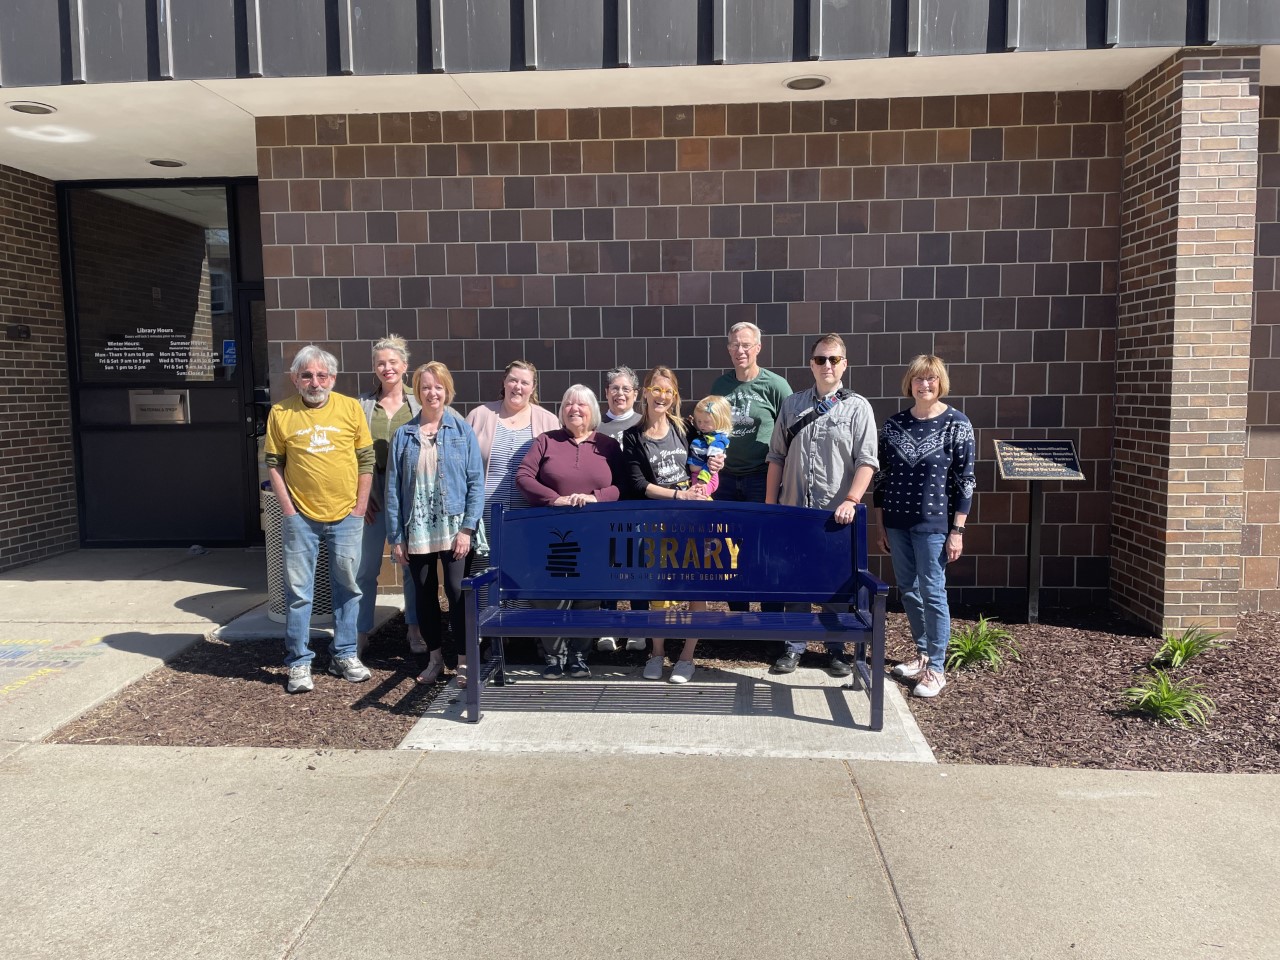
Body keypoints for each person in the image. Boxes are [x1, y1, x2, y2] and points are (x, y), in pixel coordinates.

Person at [765, 334, 878, 677]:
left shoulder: (858, 407)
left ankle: (836, 649)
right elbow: (776, 457)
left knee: (834, 584)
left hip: (835, 514)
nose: (826, 365)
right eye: (820, 359)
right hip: (795, 509)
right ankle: (794, 645)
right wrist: (771, 505)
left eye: (833, 359)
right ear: (810, 363)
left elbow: (867, 461)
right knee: (796, 580)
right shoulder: (792, 404)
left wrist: (852, 499)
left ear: (844, 363)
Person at [265, 345, 374, 694]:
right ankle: (298, 663)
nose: (315, 382)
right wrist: (288, 509)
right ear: (295, 379)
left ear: (333, 378)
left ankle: (343, 654)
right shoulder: (281, 413)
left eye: (322, 375)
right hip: (300, 518)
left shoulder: (350, 408)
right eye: (307, 375)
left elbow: (366, 460)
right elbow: (273, 464)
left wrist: (359, 507)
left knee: (348, 587)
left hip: (346, 515)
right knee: (299, 593)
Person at [874, 355, 976, 699]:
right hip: (897, 522)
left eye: (931, 379)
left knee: (933, 592)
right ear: (910, 383)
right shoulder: (894, 424)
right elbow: (882, 476)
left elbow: (965, 480)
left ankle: (936, 667)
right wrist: (881, 523)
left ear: (940, 382)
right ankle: (921, 654)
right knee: (909, 589)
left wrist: (957, 530)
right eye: (919, 379)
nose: (925, 385)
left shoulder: (956, 424)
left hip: (934, 525)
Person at [385, 362, 485, 688]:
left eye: (438, 387)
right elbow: (392, 490)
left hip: (454, 526)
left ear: (447, 391)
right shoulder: (403, 435)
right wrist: (396, 538)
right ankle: (435, 658)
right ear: (418, 391)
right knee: (424, 595)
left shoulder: (461, 431)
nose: (432, 393)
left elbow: (475, 482)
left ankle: (465, 663)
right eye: (426, 387)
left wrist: (468, 528)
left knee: (457, 593)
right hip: (417, 530)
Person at [516, 385, 625, 680]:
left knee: (587, 596)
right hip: (552, 533)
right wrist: (555, 499)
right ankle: (554, 654)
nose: (574, 409)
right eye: (568, 405)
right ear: (561, 411)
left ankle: (579, 654)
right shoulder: (546, 441)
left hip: (595, 533)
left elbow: (623, 485)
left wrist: (596, 497)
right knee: (549, 595)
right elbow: (523, 476)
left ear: (593, 411)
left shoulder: (607, 445)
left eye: (581, 405)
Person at [622, 366, 714, 684]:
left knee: (696, 587)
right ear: (645, 392)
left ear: (674, 397)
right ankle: (657, 653)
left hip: (692, 521)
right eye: (656, 390)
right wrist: (679, 494)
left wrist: (715, 463)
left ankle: (687, 657)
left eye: (668, 392)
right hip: (657, 522)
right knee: (656, 589)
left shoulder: (685, 428)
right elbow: (637, 484)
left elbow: (706, 461)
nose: (662, 397)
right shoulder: (633, 435)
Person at [710, 321, 791, 614]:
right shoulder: (721, 386)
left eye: (746, 345)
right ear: (728, 349)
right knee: (730, 550)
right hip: (727, 480)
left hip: (761, 477)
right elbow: (712, 428)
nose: (740, 350)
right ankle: (741, 620)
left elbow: (789, 431)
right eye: (734, 345)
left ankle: (771, 624)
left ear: (758, 347)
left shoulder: (775, 386)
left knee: (766, 549)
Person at [356, 334, 422, 657]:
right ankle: (360, 632)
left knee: (411, 566)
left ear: (405, 366)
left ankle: (414, 629)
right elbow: (352, 453)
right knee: (366, 568)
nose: (387, 368)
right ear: (374, 368)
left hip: (410, 493)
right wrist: (362, 495)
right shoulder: (363, 406)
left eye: (393, 362)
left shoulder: (419, 403)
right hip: (373, 494)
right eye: (381, 363)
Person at [594, 365, 646, 652]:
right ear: (606, 393)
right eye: (615, 388)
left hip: (638, 506)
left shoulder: (644, 424)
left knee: (637, 564)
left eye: (626, 388)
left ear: (636, 394)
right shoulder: (596, 426)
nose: (620, 393)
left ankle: (639, 626)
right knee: (609, 564)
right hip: (606, 507)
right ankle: (608, 625)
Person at [687, 395, 732, 497]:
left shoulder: (717, 441)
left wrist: (702, 481)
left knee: (700, 498)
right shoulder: (706, 435)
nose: (701, 425)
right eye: (699, 421)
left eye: (706, 422)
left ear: (719, 420)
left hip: (706, 477)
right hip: (696, 476)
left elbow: (712, 464)